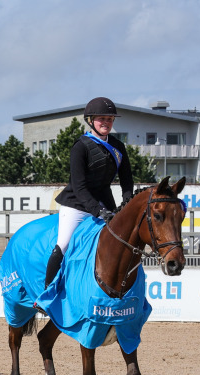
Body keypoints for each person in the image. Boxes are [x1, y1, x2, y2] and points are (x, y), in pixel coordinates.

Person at [44, 96, 134, 288]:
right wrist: (97, 210)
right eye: (102, 119)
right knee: (63, 245)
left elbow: (127, 180)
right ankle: (47, 294)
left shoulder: (118, 147)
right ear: (91, 120)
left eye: (110, 119)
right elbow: (79, 186)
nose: (107, 123)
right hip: (76, 204)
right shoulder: (80, 146)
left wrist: (127, 201)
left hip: (105, 203)